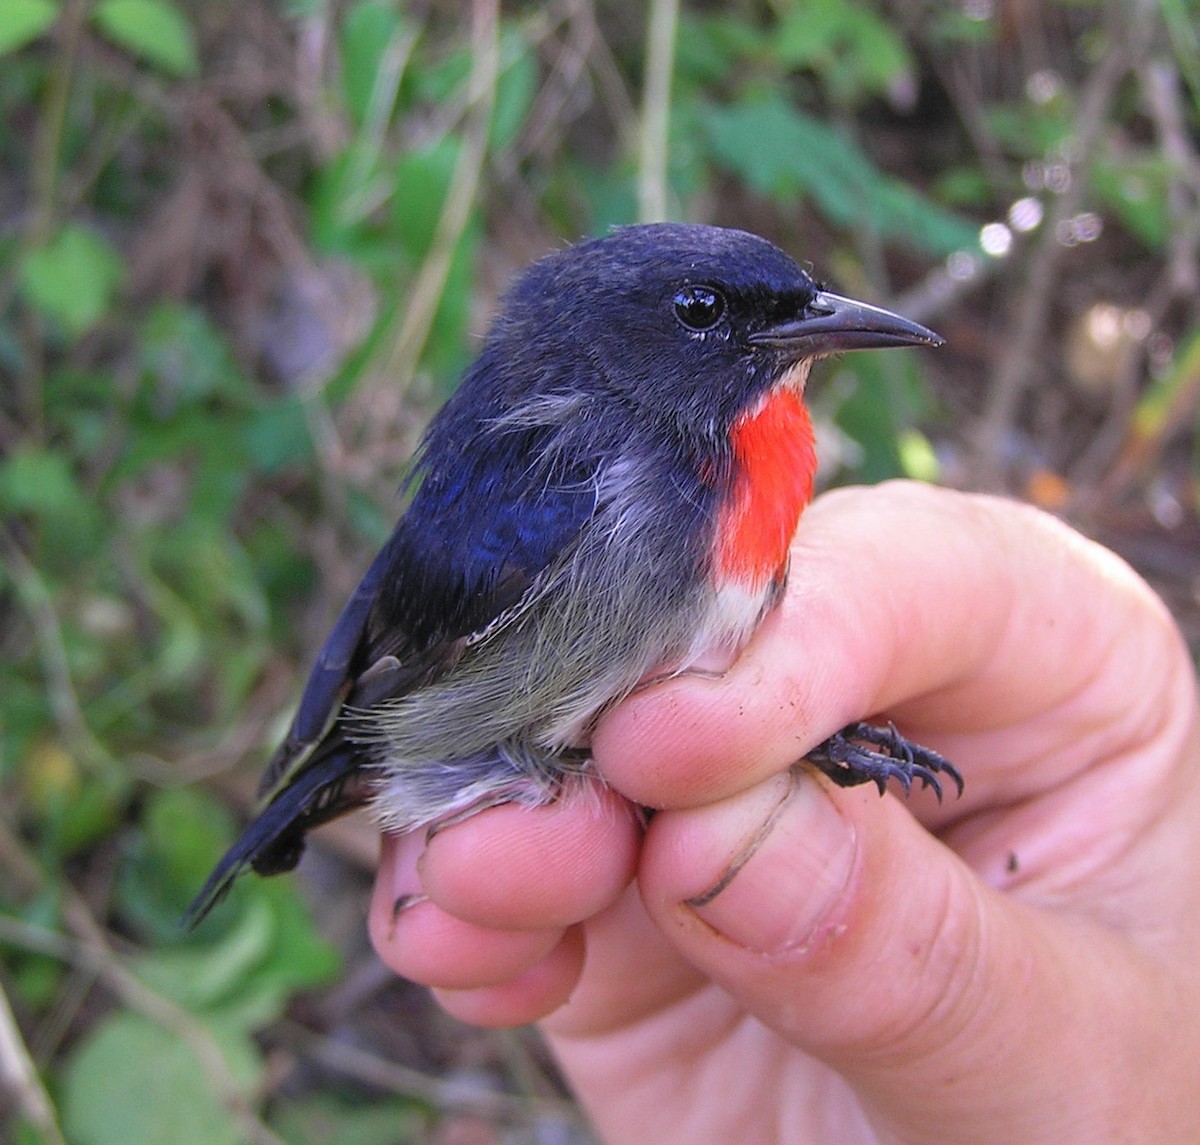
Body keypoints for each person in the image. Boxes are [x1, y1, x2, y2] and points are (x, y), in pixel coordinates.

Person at [367, 480, 1200, 1142]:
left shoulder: (717, 473)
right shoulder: (587, 475)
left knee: (698, 741)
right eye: (705, 311)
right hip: (461, 737)